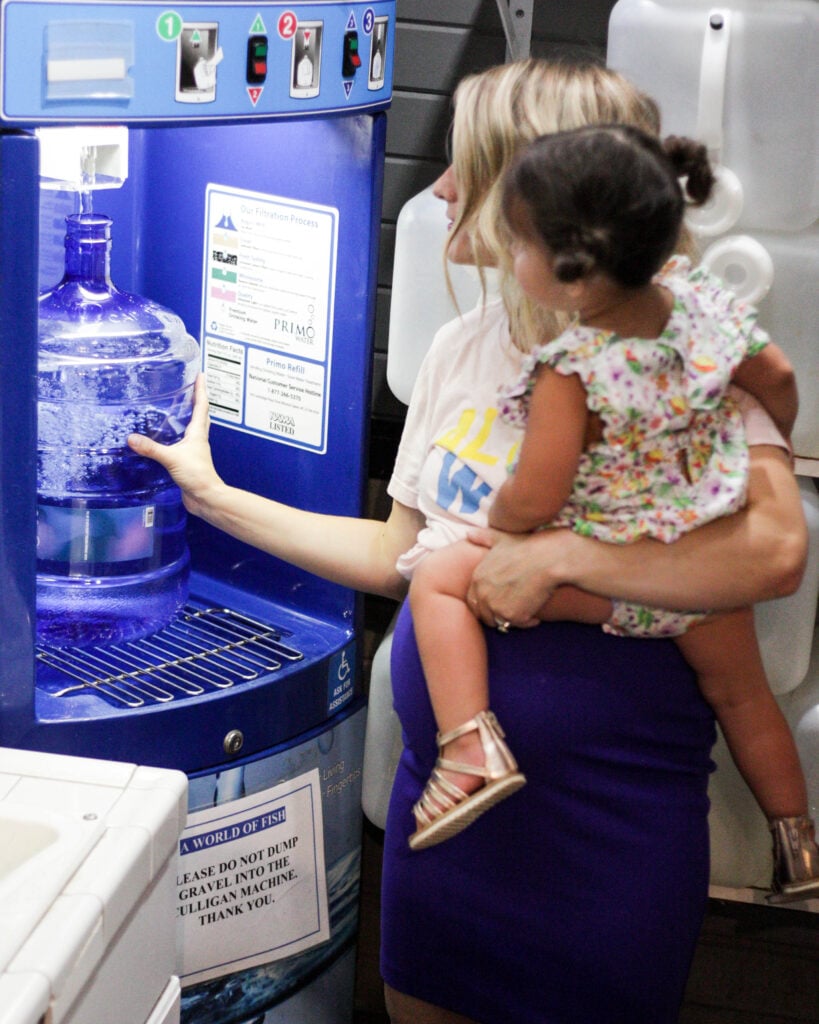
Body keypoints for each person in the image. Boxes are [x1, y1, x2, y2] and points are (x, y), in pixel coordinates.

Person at [128, 59, 809, 1024]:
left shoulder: (681, 340)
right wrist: (212, 500)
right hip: (447, 816)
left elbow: (774, 555)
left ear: (541, 195)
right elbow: (397, 555)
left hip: (606, 837)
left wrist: (559, 558)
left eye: (463, 166)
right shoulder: (458, 348)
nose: (439, 188)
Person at [403, 119, 819, 902]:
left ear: (567, 271)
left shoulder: (575, 369)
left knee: (438, 577)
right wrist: (769, 432)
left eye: (519, 243)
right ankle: (796, 841)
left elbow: (541, 493)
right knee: (743, 694)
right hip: (702, 567)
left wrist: (507, 524)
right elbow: (781, 373)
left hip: (611, 576)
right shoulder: (702, 309)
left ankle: (468, 751)